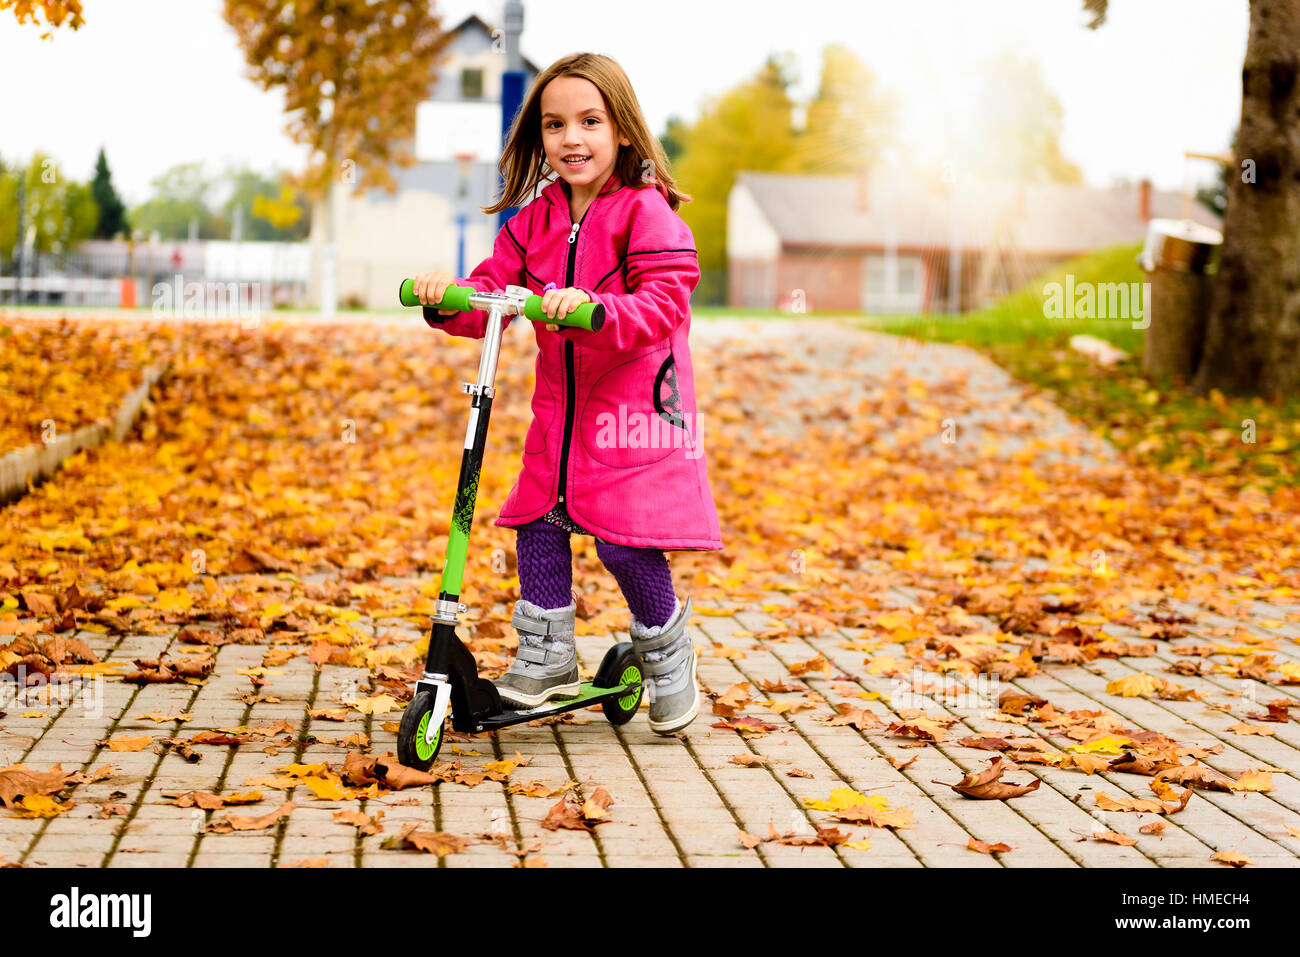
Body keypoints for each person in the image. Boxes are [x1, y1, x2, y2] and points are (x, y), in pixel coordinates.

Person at [410, 52, 722, 735]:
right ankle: (548, 653)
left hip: (635, 415)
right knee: (538, 520)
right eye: (555, 125)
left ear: (623, 132)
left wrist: (596, 310)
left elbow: (665, 304)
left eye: (589, 121)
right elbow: (494, 293)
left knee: (624, 540)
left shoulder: (648, 215)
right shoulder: (535, 220)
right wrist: (447, 298)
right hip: (561, 412)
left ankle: (666, 650)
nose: (571, 138)